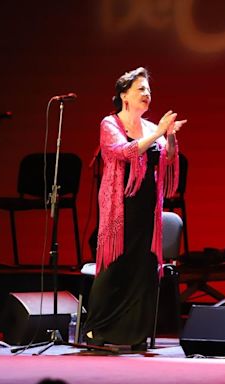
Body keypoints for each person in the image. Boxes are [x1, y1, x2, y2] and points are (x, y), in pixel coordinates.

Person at [83, 67, 187, 350]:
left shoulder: (154, 128)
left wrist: (171, 136)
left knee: (143, 267)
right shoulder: (110, 124)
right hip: (120, 205)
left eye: (149, 90)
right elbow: (122, 152)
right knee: (114, 265)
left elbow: (168, 159)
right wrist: (158, 135)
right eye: (141, 89)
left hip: (146, 205)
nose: (147, 94)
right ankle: (96, 329)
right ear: (124, 95)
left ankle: (133, 332)